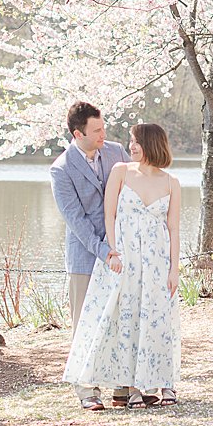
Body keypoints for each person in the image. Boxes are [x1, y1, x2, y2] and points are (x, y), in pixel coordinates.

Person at [62, 122, 181, 410]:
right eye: (131, 141)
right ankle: (121, 386)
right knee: (122, 319)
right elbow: (109, 214)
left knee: (153, 318)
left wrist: (173, 269)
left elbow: (174, 229)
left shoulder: (171, 182)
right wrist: (112, 252)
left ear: (151, 144)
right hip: (124, 258)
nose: (131, 146)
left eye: (137, 141)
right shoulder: (121, 172)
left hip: (155, 261)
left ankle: (154, 381)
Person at [51, 101, 132, 408]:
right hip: (86, 256)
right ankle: (87, 390)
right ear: (77, 133)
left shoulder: (117, 153)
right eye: (96, 130)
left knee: (121, 318)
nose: (103, 134)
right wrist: (105, 252)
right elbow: (77, 222)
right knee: (84, 323)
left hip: (121, 253)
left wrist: (122, 248)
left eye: (103, 128)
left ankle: (123, 386)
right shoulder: (61, 169)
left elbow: (132, 194)